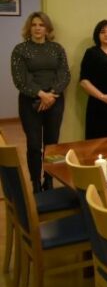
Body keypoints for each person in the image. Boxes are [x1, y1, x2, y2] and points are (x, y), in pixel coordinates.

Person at [11, 12, 70, 192]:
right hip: (30, 102)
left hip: (55, 101)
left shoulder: (57, 48)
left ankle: (49, 180)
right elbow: (20, 79)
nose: (37, 28)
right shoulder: (20, 50)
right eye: (34, 25)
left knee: (52, 145)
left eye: (41, 25)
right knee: (34, 145)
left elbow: (64, 74)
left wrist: (51, 94)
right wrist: (41, 94)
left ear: (47, 28)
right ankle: (36, 183)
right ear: (29, 28)